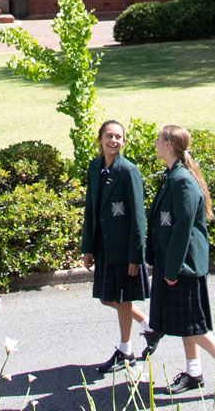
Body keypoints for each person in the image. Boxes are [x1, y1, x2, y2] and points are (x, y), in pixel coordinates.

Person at [146, 125, 215, 397]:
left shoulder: (182, 181)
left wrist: (172, 268)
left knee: (192, 325)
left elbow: (183, 228)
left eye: (158, 139)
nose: (154, 143)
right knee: (184, 323)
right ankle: (193, 372)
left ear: (168, 144)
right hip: (175, 262)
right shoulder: (172, 176)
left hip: (183, 265)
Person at [81, 120, 155, 375]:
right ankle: (149, 325)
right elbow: (90, 209)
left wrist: (136, 256)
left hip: (124, 249)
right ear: (100, 139)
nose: (114, 140)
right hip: (103, 247)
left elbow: (138, 217)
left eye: (119, 137)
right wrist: (88, 248)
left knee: (121, 298)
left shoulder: (128, 171)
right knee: (106, 297)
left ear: (124, 142)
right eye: (109, 136)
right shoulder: (94, 167)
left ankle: (126, 351)